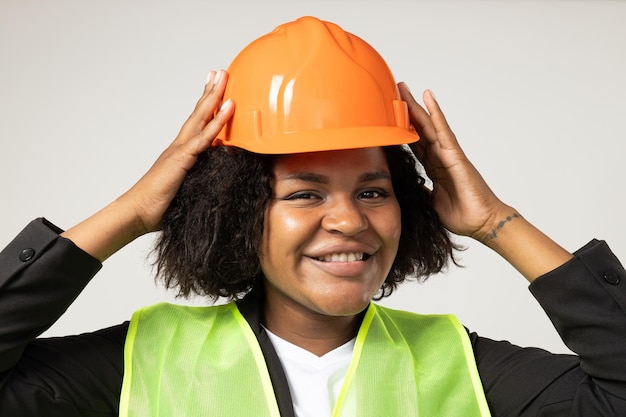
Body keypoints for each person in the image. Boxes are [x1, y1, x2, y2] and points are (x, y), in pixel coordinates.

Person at [0, 16, 625, 417]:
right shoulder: (148, 360)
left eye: (374, 192)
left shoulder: (456, 364)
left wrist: (495, 222)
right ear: (241, 213)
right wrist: (131, 213)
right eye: (304, 193)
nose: (350, 221)